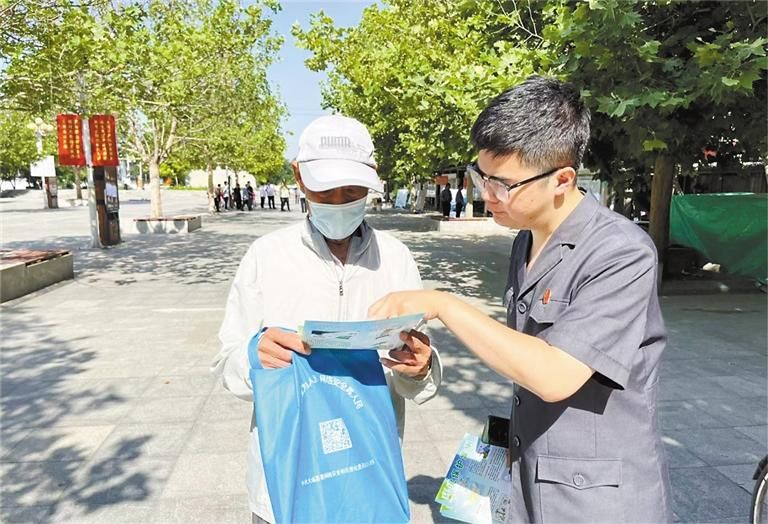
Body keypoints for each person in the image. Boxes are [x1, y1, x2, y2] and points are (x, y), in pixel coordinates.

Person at [369, 76, 671, 523]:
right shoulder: (525, 240)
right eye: (481, 176)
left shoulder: (621, 253)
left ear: (562, 179)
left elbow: (553, 374)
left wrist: (445, 303)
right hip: (531, 475)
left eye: (503, 184)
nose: (486, 194)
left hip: (594, 499)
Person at [211, 114, 442, 524]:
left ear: (372, 179)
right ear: (299, 177)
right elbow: (228, 362)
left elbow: (411, 376)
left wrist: (420, 367)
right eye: (325, 190)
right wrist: (254, 357)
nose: (338, 202)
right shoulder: (266, 256)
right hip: (286, 485)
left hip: (369, 478)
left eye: (351, 191)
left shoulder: (396, 259)